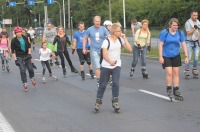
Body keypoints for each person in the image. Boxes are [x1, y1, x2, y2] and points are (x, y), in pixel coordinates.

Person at [94, 22, 132, 112]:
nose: (121, 32)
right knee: (103, 85)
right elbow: (104, 54)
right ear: (114, 32)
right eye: (119, 31)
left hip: (116, 65)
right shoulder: (106, 41)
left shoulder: (120, 39)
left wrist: (125, 38)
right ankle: (98, 102)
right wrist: (110, 61)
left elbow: (130, 49)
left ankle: (115, 101)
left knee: (115, 83)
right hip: (106, 65)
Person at [158, 18, 188, 101]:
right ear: (170, 25)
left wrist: (186, 56)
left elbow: (184, 44)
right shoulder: (165, 32)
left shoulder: (180, 33)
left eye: (177, 25)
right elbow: (160, 45)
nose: (176, 27)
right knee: (169, 73)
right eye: (174, 25)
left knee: (176, 72)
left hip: (176, 55)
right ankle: (168, 89)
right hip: (166, 55)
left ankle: (176, 90)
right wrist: (160, 57)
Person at [83, 16, 110, 87]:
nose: (97, 23)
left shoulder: (103, 29)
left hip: (103, 50)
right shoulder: (90, 29)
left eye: (98, 21)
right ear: (93, 21)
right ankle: (99, 80)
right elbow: (85, 38)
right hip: (94, 50)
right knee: (97, 66)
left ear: (100, 21)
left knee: (106, 65)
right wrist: (84, 48)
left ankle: (110, 79)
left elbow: (109, 36)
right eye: (96, 21)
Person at [11, 26, 36, 92]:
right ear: (15, 33)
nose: (19, 33)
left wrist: (29, 54)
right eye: (17, 32)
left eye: (20, 32)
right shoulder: (13, 41)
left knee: (30, 68)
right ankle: (25, 83)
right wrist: (15, 60)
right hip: (19, 56)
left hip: (26, 55)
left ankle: (32, 78)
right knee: (22, 70)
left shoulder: (25, 38)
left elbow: (29, 46)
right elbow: (13, 51)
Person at [184, 10, 200, 79]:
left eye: (196, 15)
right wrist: (194, 28)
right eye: (194, 15)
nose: (195, 17)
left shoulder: (198, 22)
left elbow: (199, 32)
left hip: (196, 42)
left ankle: (194, 69)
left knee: (196, 57)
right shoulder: (188, 23)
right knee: (188, 57)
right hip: (189, 42)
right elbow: (188, 33)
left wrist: (199, 42)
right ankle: (186, 70)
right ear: (191, 15)